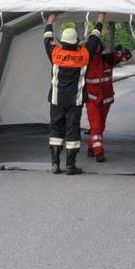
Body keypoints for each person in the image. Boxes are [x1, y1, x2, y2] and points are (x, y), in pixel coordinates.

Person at [43, 12, 105, 175]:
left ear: (62, 42)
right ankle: (70, 166)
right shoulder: (84, 55)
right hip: (74, 101)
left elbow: (47, 38)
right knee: (72, 130)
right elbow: (94, 38)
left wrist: (50, 20)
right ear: (76, 42)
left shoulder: (55, 54)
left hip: (56, 100)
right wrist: (100, 19)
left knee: (55, 130)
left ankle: (55, 165)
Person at [85, 43, 132, 162]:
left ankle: (91, 146)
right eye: (94, 45)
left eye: (97, 45)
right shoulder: (85, 60)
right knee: (96, 125)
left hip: (106, 101)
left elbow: (127, 56)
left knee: (100, 125)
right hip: (92, 101)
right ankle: (98, 152)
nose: (96, 47)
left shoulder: (108, 59)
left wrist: (122, 50)